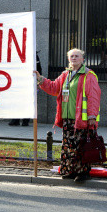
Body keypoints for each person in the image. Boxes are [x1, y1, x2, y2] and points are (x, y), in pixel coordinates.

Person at [35, 48, 101, 182]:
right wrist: (41, 79)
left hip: (82, 119)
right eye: (72, 56)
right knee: (69, 145)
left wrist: (92, 117)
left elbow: (93, 97)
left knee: (80, 145)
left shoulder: (89, 76)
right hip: (67, 118)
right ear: (68, 59)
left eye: (77, 56)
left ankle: (82, 173)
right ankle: (69, 170)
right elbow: (54, 88)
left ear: (83, 59)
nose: (74, 58)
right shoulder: (65, 75)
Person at [9, 52, 42, 126]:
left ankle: (25, 120)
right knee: (17, 101)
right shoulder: (18, 54)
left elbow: (39, 69)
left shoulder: (34, 55)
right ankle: (15, 120)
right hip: (19, 81)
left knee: (28, 101)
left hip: (30, 82)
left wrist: (38, 82)